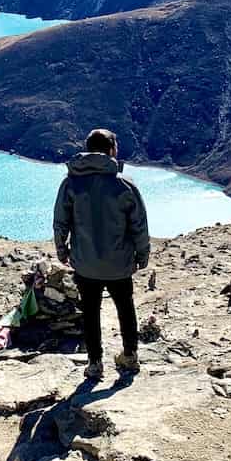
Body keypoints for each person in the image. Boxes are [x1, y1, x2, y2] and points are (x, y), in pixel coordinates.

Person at [52, 128, 150, 380]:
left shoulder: (71, 183)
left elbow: (60, 222)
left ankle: (95, 363)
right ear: (111, 151)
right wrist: (142, 255)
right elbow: (139, 224)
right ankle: (130, 356)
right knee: (125, 308)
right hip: (119, 262)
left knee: (91, 312)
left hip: (85, 263)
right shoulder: (124, 185)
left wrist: (62, 250)